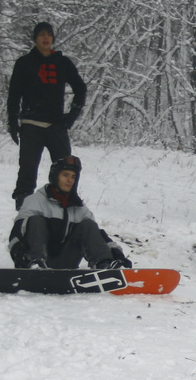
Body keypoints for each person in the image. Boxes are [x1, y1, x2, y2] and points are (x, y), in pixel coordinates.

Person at [7, 21, 87, 209]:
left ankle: (66, 209)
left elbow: (80, 89)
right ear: (35, 38)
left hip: (56, 126)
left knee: (67, 170)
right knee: (27, 172)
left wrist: (71, 117)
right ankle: (24, 211)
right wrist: (12, 122)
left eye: (49, 35)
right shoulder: (24, 63)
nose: (46, 38)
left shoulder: (63, 63)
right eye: (42, 34)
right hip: (31, 124)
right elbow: (14, 94)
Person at [8, 155, 130, 270]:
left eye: (73, 177)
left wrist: (115, 253)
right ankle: (35, 264)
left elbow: (97, 236)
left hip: (66, 262)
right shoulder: (35, 201)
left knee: (88, 224)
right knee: (36, 220)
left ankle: (104, 265)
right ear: (55, 177)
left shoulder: (79, 207)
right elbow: (17, 233)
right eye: (65, 175)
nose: (69, 180)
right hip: (36, 259)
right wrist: (18, 253)